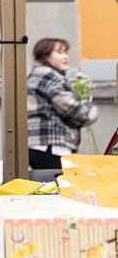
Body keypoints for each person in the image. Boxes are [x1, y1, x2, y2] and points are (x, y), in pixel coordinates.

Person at [27, 38, 98, 169]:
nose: (65, 56)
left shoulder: (36, 74)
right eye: (59, 52)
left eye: (66, 52)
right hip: (51, 146)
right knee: (59, 186)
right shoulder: (48, 75)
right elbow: (75, 111)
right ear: (44, 55)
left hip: (40, 146)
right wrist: (89, 105)